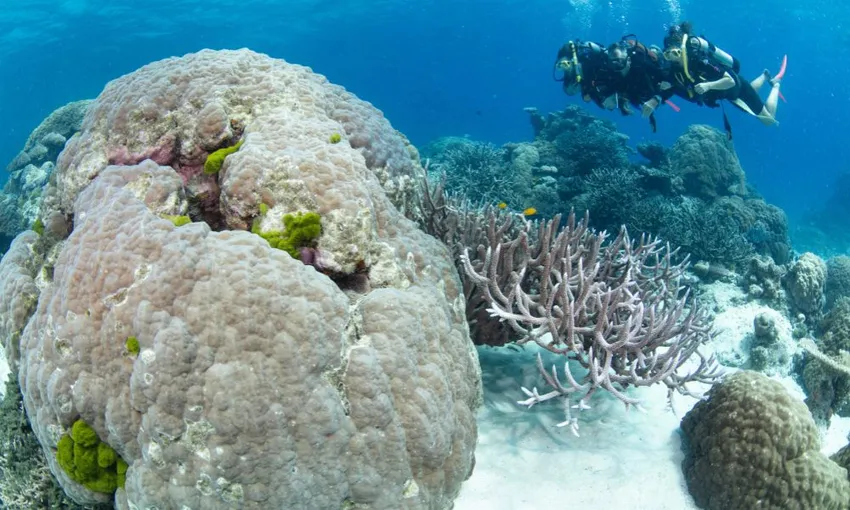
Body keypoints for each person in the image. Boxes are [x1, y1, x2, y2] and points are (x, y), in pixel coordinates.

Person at [659, 21, 786, 136]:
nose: (673, 58)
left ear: (682, 50)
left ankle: (775, 84)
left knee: (767, 120)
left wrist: (708, 86)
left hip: (737, 87)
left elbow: (729, 80)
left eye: (676, 53)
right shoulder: (676, 70)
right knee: (750, 92)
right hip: (730, 95)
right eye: (668, 55)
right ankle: (764, 75)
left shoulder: (701, 60)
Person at [554, 36, 676, 131]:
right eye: (613, 62)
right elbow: (597, 91)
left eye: (620, 61)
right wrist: (606, 100)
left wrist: (656, 99)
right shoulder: (607, 71)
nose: (617, 65)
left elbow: (672, 81)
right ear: (608, 62)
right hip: (634, 96)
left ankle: (658, 51)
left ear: (628, 59)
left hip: (648, 91)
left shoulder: (641, 63)